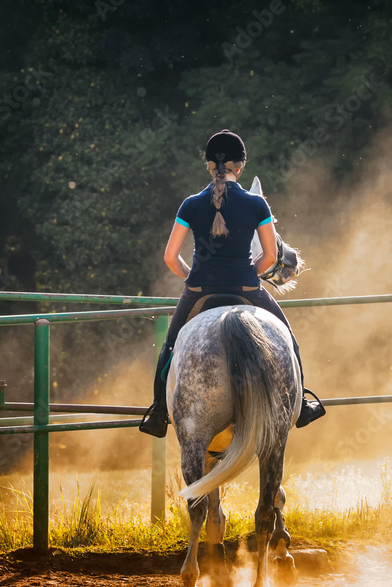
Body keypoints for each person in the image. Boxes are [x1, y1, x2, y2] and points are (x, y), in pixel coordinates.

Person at [139, 129, 325, 438]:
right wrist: (247, 273)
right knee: (289, 341)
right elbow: (268, 256)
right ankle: (303, 403)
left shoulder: (190, 204)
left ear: (209, 165)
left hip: (199, 291)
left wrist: (193, 278)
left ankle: (158, 411)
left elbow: (170, 257)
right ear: (240, 166)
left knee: (170, 349)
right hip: (247, 289)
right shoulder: (256, 204)